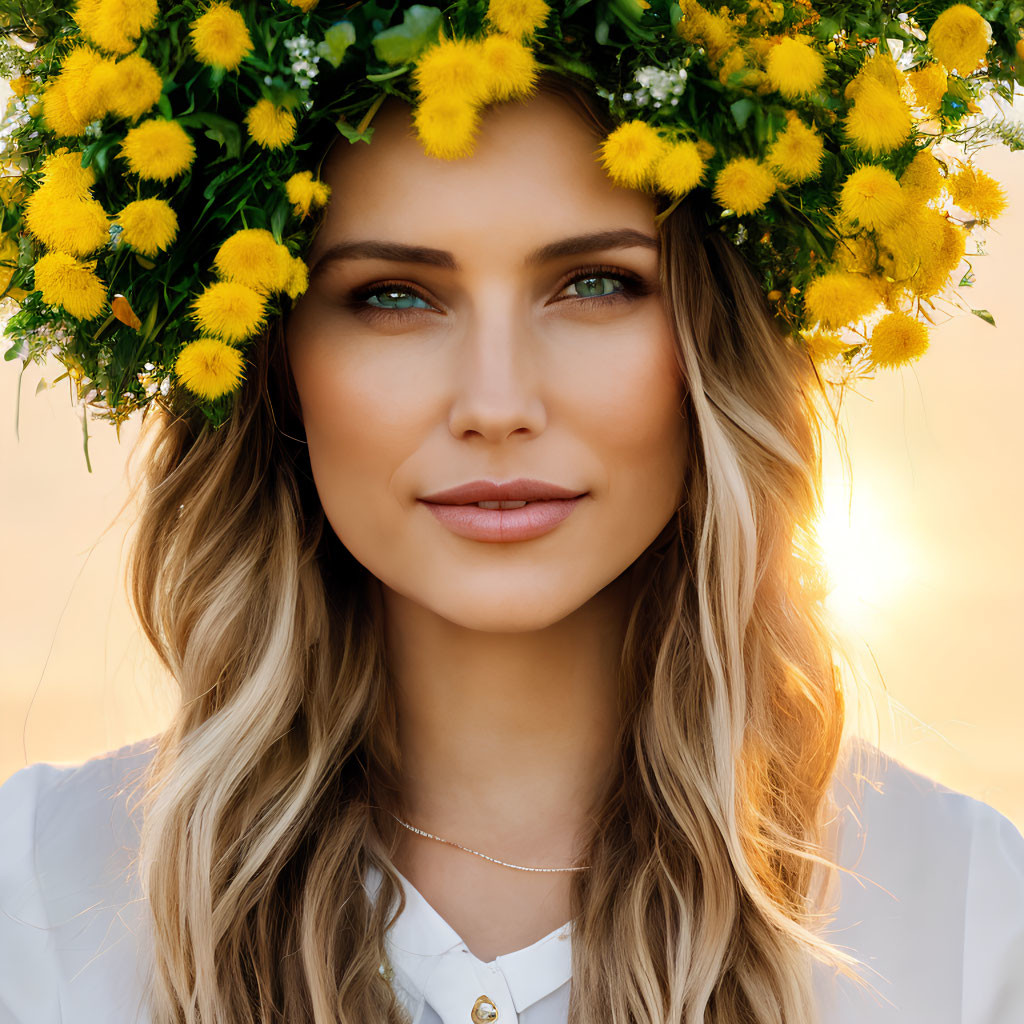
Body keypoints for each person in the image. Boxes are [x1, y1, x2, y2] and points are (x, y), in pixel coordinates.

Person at [2, 3, 1024, 1023]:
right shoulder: (33, 895)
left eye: (594, 284)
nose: (496, 404)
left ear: (718, 342)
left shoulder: (973, 919)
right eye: (394, 295)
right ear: (270, 358)